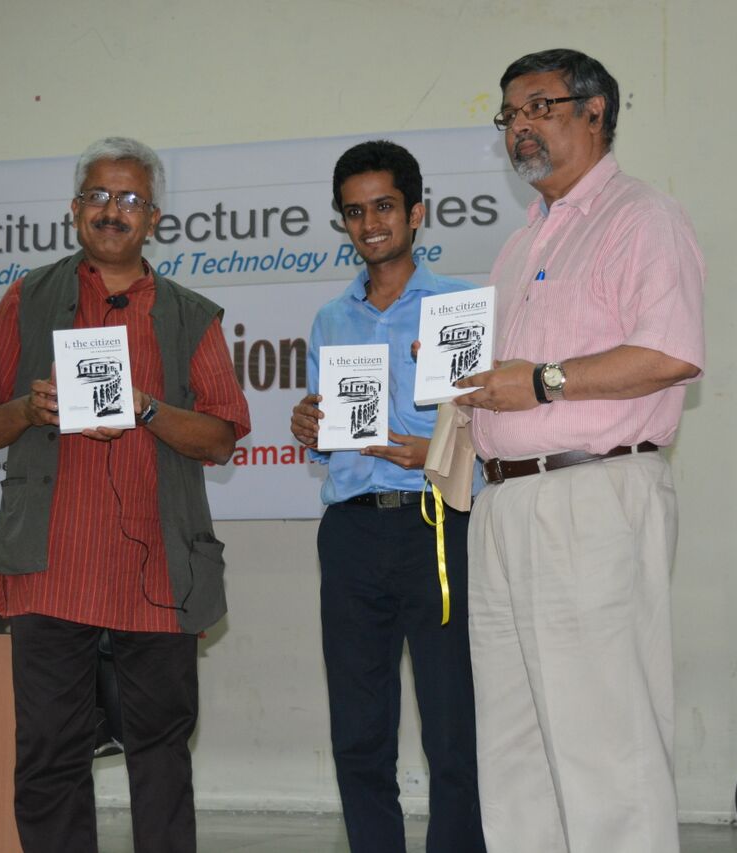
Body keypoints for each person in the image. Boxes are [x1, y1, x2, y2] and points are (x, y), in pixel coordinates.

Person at [0, 136, 250, 853]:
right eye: (98, 195)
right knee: (49, 754)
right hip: (50, 566)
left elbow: (220, 437)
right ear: (74, 209)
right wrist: (27, 410)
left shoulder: (191, 314)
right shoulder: (28, 297)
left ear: (154, 219)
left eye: (129, 199)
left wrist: (147, 409)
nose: (111, 210)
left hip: (159, 571)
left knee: (161, 756)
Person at [453, 50, 706, 852]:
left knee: (605, 742)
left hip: (589, 494)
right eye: (509, 115)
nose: (519, 127)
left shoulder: (642, 216)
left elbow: (670, 352)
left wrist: (543, 381)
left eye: (539, 107)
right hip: (502, 504)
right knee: (515, 749)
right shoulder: (522, 242)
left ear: (595, 111)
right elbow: (511, 382)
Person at [289, 140, 487, 853]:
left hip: (437, 524)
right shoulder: (330, 319)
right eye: (354, 212)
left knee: (452, 723)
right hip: (350, 532)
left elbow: (487, 430)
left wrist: (427, 453)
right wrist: (309, 425)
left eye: (383, 207)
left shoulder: (458, 306)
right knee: (358, 727)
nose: (369, 223)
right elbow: (331, 437)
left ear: (416, 213)